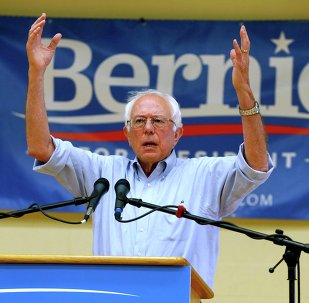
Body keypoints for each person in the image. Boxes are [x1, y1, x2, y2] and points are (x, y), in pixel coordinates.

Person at [26, 13, 274, 288]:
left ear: (178, 132)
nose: (148, 129)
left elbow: (256, 165)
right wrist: (36, 72)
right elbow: (40, 147)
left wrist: (244, 92)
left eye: (158, 121)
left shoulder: (204, 176)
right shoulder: (103, 175)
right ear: (127, 133)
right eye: (139, 121)